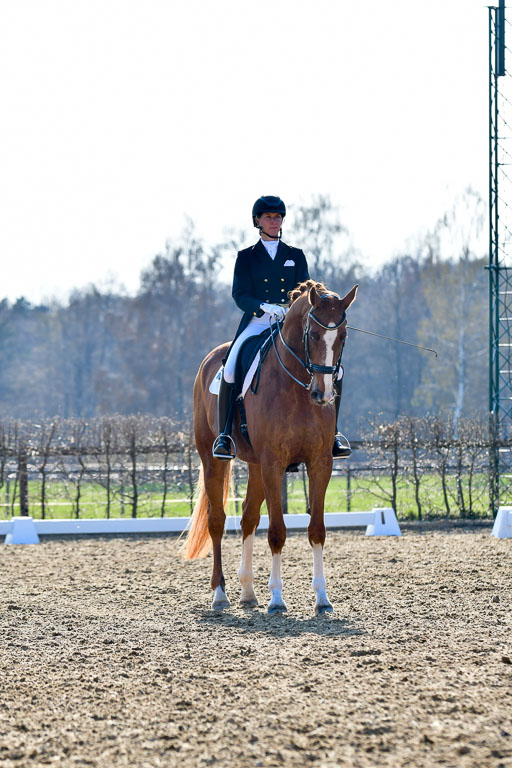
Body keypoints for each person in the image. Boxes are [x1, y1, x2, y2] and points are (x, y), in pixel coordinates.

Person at [212, 195, 351, 461]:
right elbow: (239, 294)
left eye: (277, 217)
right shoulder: (246, 257)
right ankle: (225, 436)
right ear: (258, 221)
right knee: (229, 369)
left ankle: (333, 433)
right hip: (258, 321)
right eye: (268, 217)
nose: (274, 222)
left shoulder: (295, 255)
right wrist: (264, 307)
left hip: (292, 323)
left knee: (337, 369)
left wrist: (324, 306)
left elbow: (309, 290)